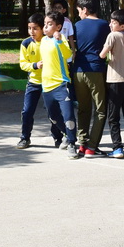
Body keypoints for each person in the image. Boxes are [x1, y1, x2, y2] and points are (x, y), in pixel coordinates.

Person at [16, 13, 64, 149]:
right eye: (29, 28)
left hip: (50, 83)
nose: (32, 32)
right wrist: (35, 65)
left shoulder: (49, 41)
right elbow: (23, 63)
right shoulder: (25, 43)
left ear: (43, 28)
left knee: (52, 112)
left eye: (35, 28)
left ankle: (58, 137)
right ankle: (25, 137)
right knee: (27, 111)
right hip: (34, 82)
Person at [72, 0, 111, 157]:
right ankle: (92, 146)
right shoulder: (104, 25)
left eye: (79, 11)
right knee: (100, 110)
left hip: (78, 70)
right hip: (96, 70)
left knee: (83, 108)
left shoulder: (77, 25)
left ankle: (82, 143)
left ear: (85, 9)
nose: (79, 14)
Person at [40, 11, 80, 158]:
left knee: (68, 116)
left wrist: (58, 40)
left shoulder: (61, 38)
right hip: (47, 85)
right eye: (45, 24)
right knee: (53, 116)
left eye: (49, 24)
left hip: (61, 84)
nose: (45, 27)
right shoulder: (43, 41)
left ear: (58, 27)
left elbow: (68, 55)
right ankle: (66, 134)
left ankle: (71, 143)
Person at [99, 8, 124, 158]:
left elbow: (102, 54)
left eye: (114, 22)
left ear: (122, 25)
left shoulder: (112, 35)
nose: (110, 24)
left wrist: (103, 52)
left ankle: (117, 147)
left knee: (113, 116)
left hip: (115, 79)